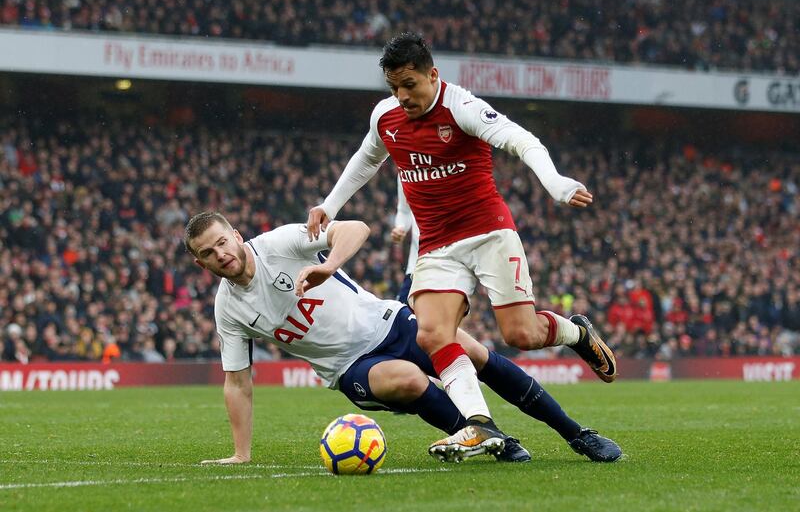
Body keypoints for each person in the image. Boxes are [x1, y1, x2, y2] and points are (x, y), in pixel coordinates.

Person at [306, 32, 617, 454]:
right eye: (394, 88)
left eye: (410, 85)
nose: (402, 96)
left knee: (521, 334)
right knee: (431, 334)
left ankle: (576, 333)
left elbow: (521, 140)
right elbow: (367, 159)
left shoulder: (462, 107)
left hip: (488, 233)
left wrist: (555, 182)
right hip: (435, 244)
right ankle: (480, 423)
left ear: (433, 74)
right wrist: (330, 204)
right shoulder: (386, 117)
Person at [185, 211, 622, 464]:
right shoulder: (229, 310)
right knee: (410, 381)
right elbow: (237, 382)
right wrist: (241, 454)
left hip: (389, 322)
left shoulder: (277, 244)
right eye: (208, 253)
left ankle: (576, 434)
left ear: (237, 235)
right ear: (202, 264)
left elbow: (354, 228)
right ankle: (496, 441)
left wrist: (328, 262)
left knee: (472, 352)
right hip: (351, 368)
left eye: (223, 242)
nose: (221, 254)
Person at [390, 176, 419, 305]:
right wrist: (400, 227)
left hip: (448, 266)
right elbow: (404, 211)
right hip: (416, 268)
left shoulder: (454, 168)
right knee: (401, 320)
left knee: (441, 323)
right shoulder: (406, 169)